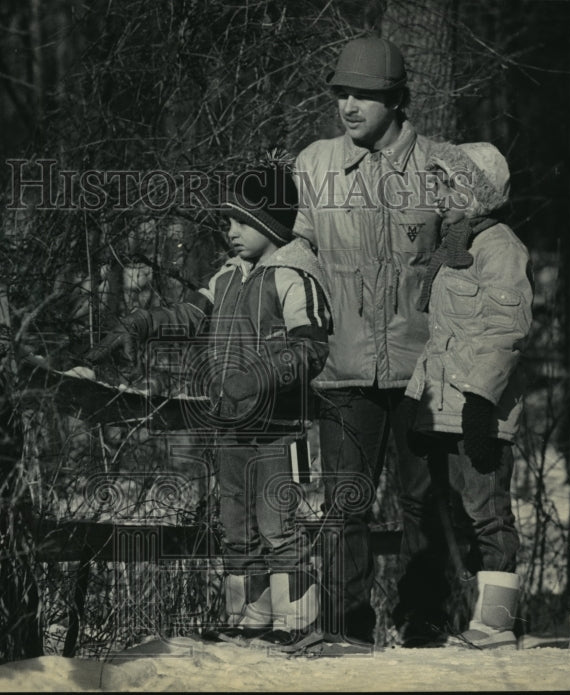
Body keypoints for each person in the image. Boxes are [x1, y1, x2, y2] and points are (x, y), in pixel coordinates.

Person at [86, 165, 333, 646]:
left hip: (282, 428)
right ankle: (251, 618)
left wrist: (258, 376)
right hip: (231, 426)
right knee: (236, 526)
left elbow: (311, 348)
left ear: (271, 224)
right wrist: (140, 324)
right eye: (228, 222)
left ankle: (297, 623)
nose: (231, 232)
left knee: (278, 525)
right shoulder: (228, 276)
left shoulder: (295, 275)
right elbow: (189, 314)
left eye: (242, 222)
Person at [287, 36, 445, 653]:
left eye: (365, 95)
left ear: (396, 99)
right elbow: (296, 246)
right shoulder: (315, 163)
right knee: (345, 503)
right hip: (345, 366)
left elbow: (466, 261)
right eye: (342, 93)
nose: (349, 105)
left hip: (422, 368)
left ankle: (424, 622)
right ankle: (343, 628)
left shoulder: (438, 167)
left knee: (424, 502)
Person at [401, 141, 533, 649]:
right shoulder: (453, 247)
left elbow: (507, 332)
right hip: (444, 413)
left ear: (475, 192)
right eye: (435, 183)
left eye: (448, 184)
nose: (438, 194)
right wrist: (419, 402)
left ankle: (498, 623)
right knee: (454, 515)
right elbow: (442, 341)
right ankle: (474, 619)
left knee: (488, 515)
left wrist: (480, 401)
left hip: (480, 413)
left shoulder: (500, 246)